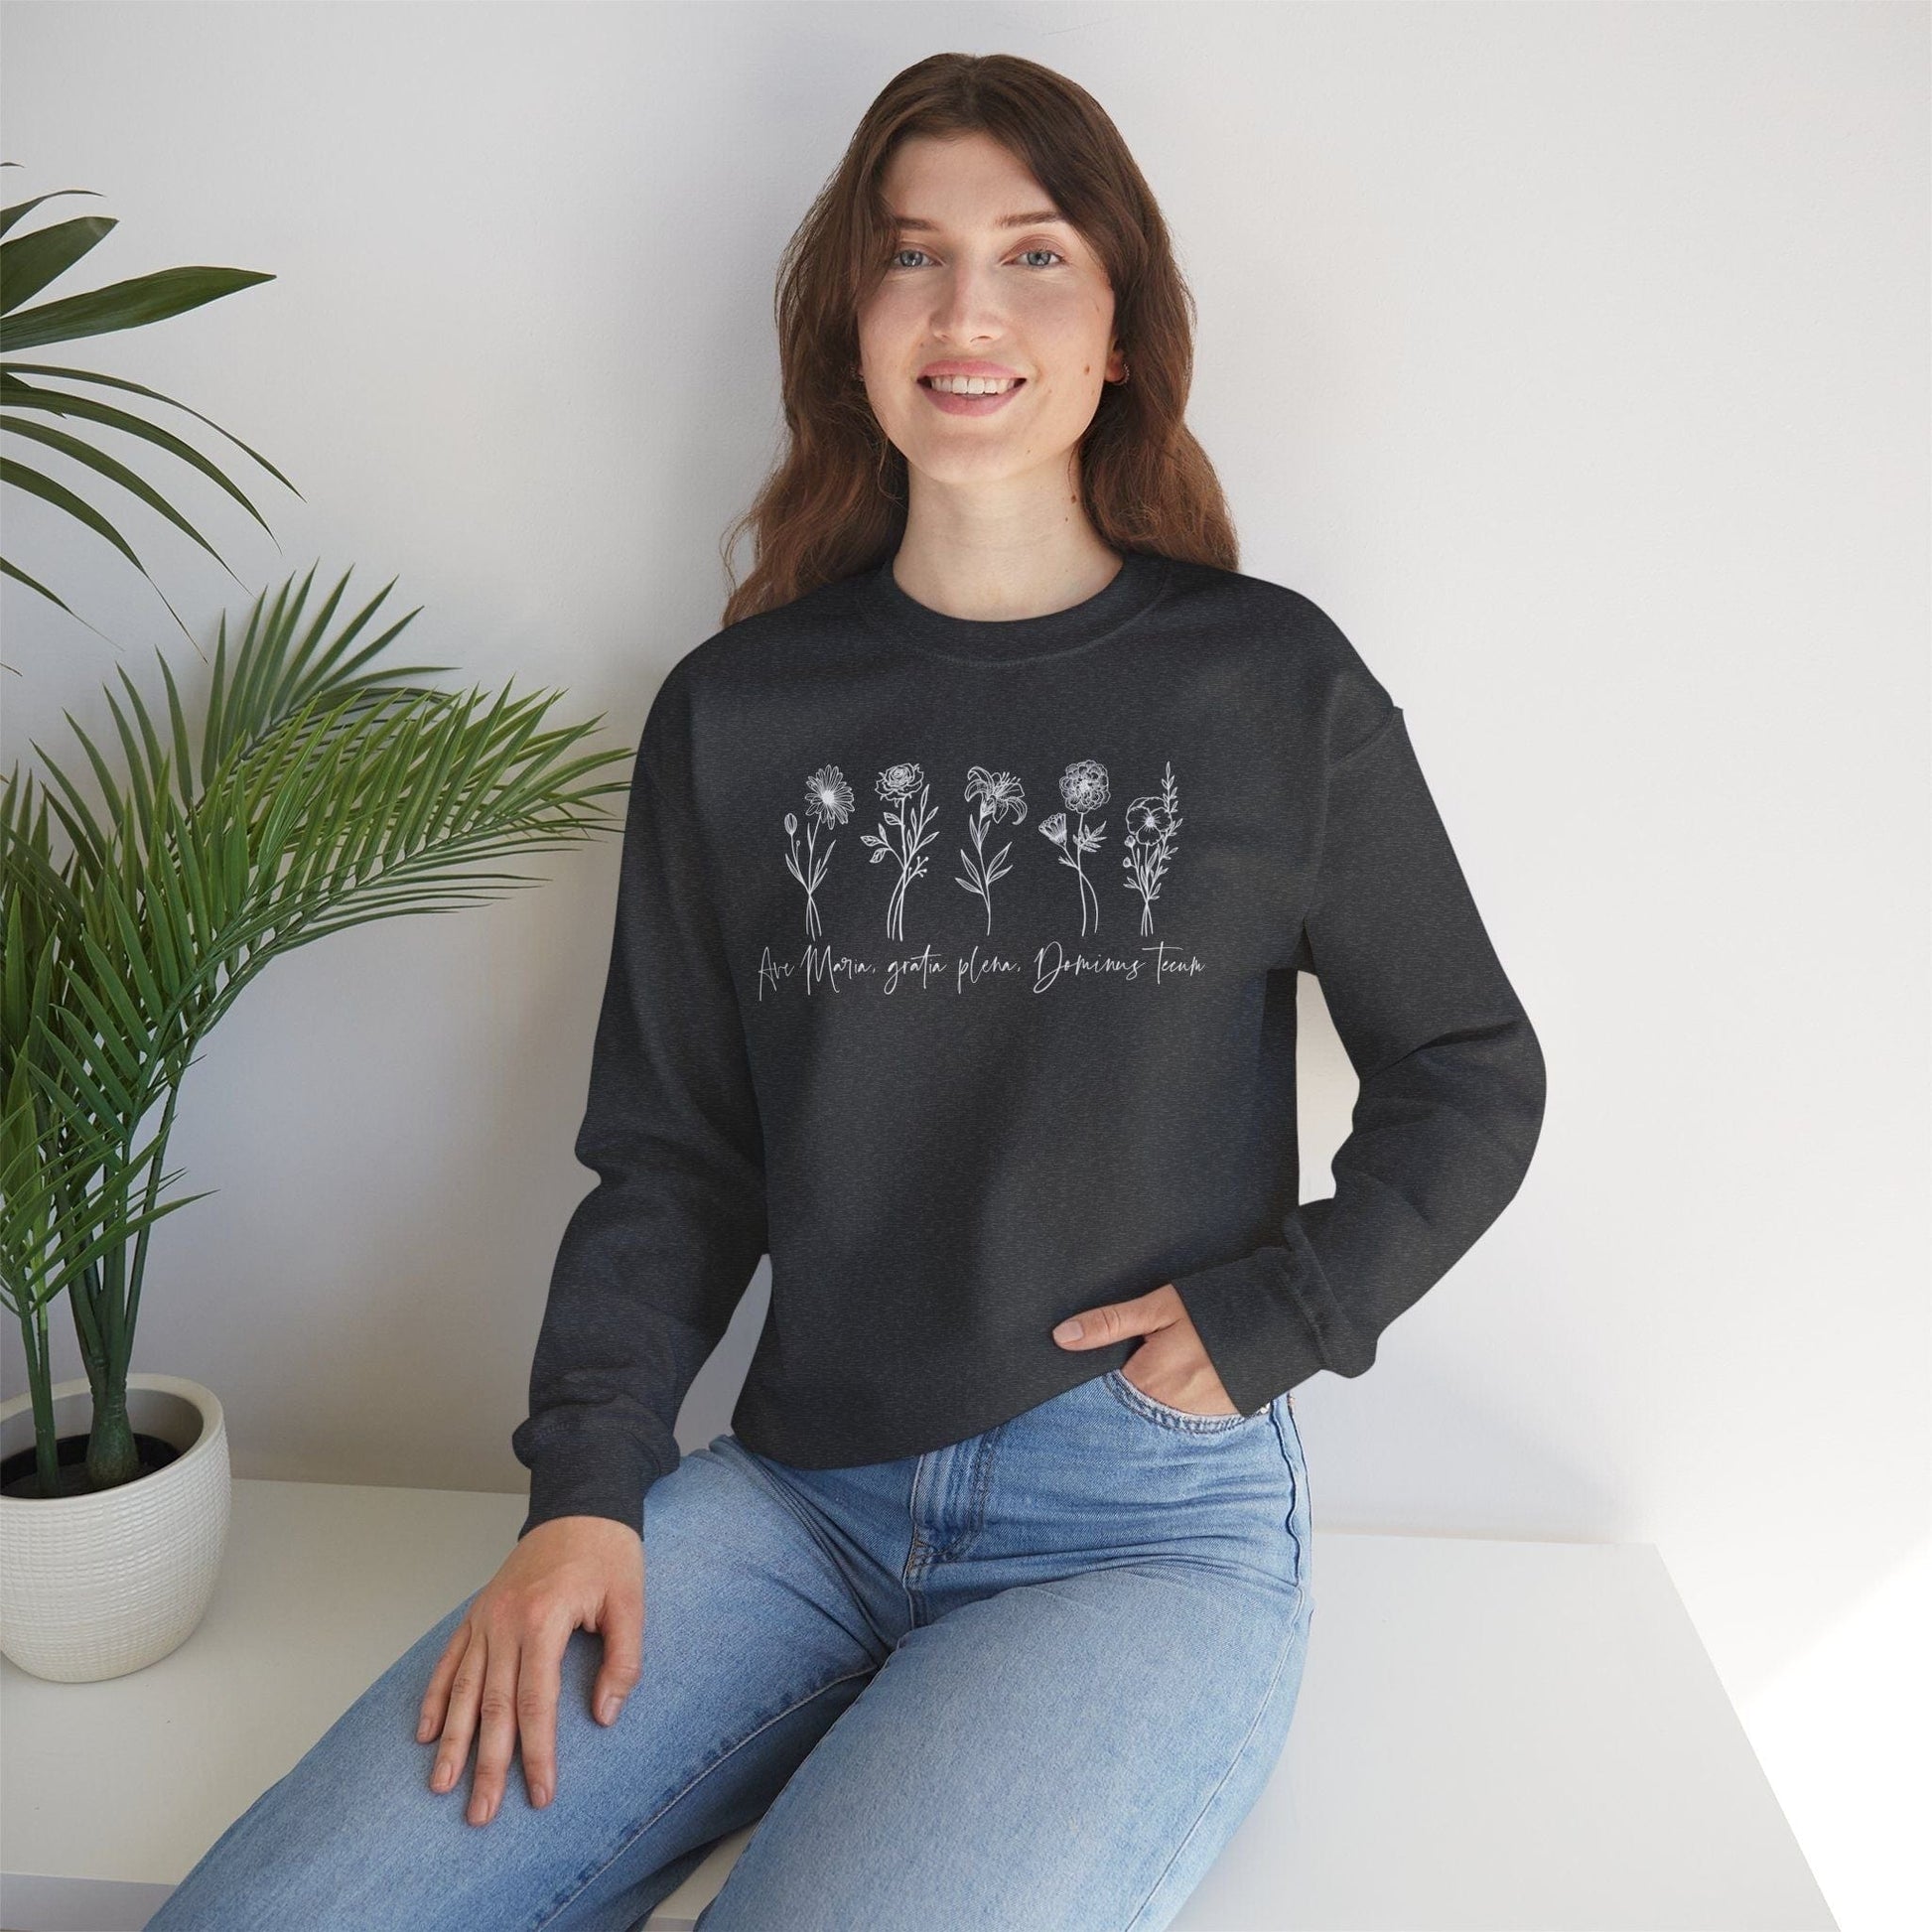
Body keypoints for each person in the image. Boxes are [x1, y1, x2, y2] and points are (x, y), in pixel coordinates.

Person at [146, 51, 1546, 1932]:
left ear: (1119, 325)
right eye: (912, 258)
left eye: (1034, 256)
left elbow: (1469, 1068)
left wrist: (1288, 1303)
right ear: (852, 324)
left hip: (1133, 1526)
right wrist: (584, 1486)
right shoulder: (740, 712)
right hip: (793, 1496)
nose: (968, 311)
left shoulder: (1267, 687)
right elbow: (672, 1157)